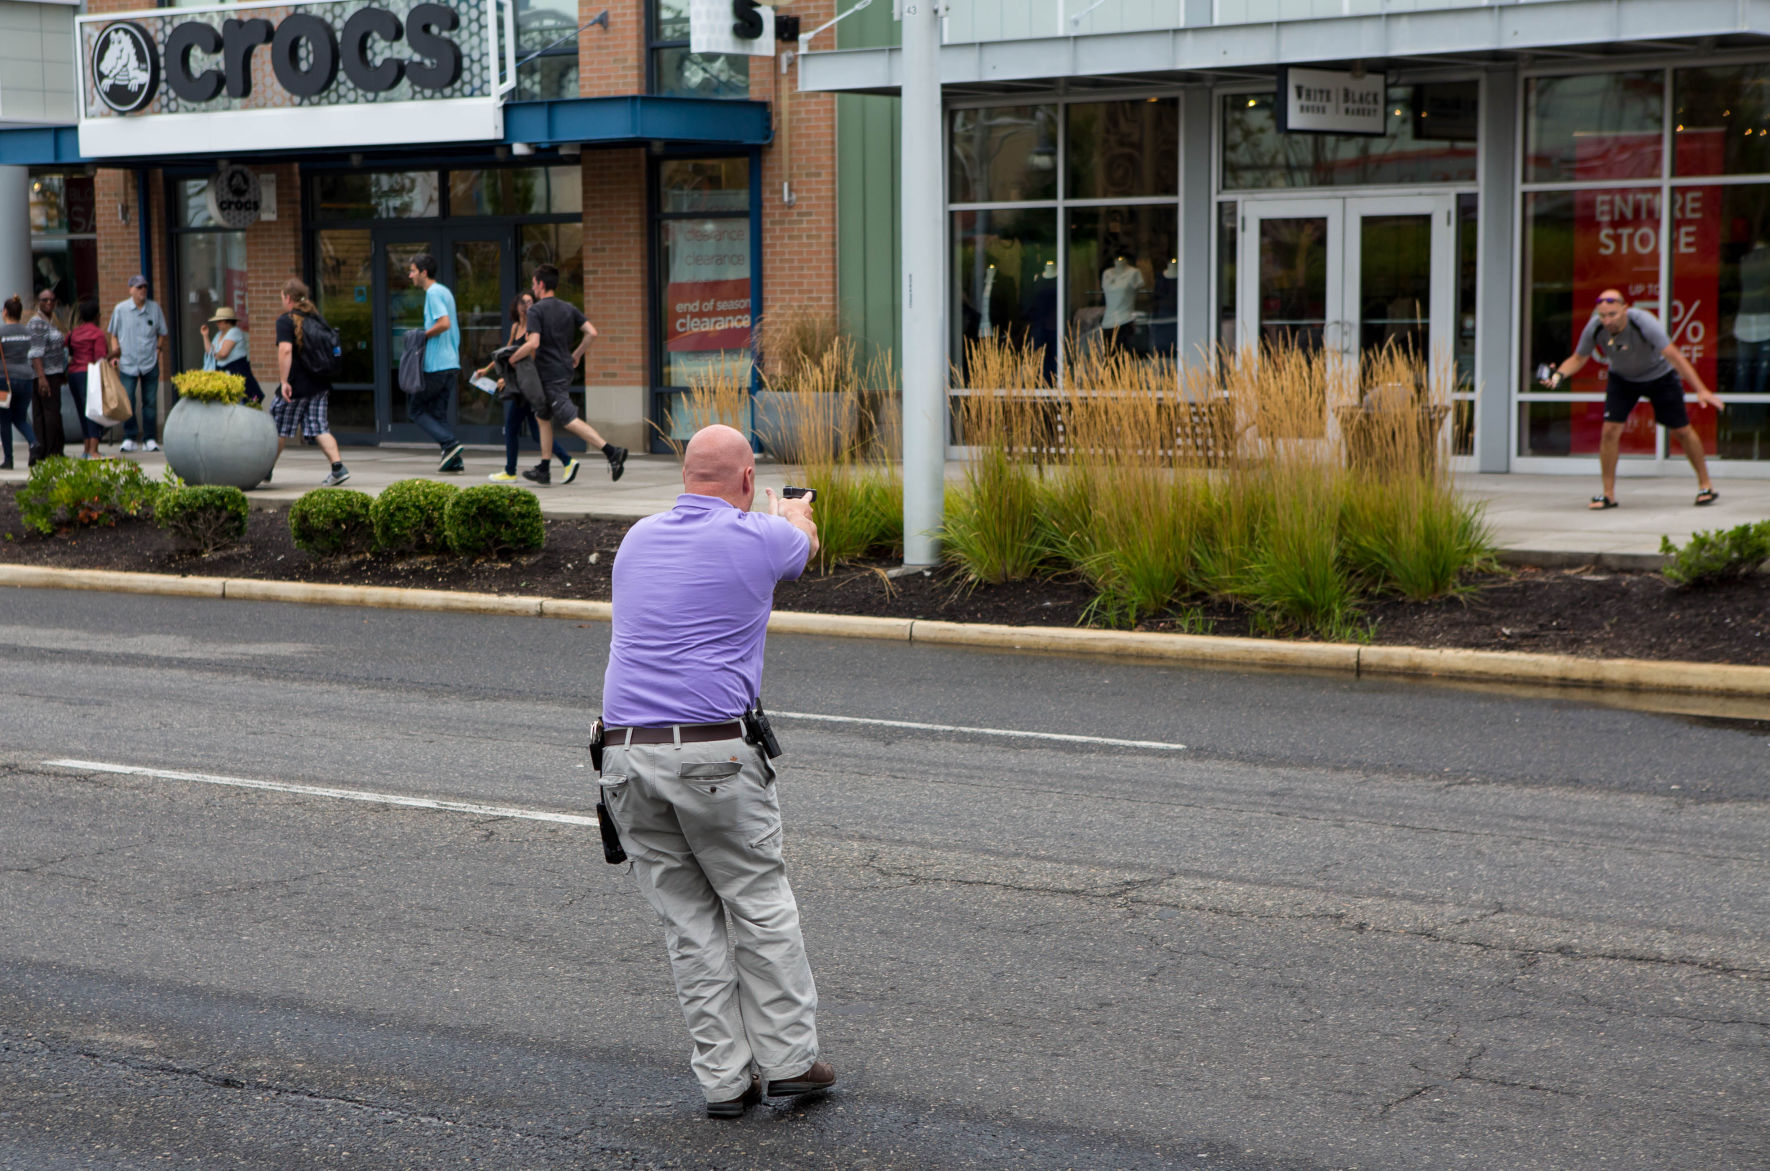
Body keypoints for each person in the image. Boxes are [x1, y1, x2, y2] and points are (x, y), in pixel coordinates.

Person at [596, 424, 831, 1119]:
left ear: (684, 475)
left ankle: (725, 1080)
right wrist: (797, 509)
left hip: (624, 754)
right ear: (747, 480)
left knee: (687, 920)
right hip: (715, 755)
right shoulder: (761, 535)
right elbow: (804, 547)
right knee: (756, 902)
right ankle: (790, 1060)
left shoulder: (636, 539)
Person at [1545, 289, 1725, 510]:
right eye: (1603, 316)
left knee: (1681, 430)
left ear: (1625, 309)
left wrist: (1701, 390)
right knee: (1610, 430)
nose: (1608, 320)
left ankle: (1706, 486)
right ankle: (1608, 494)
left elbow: (1674, 355)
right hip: (1622, 379)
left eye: (1612, 314)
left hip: (1660, 377)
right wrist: (1558, 376)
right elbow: (1578, 358)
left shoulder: (1643, 322)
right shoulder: (1595, 327)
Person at [509, 263, 627, 485]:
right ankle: (544, 468)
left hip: (550, 373)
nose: (533, 288)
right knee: (542, 416)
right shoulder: (568, 308)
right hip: (562, 368)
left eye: (534, 284)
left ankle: (612, 452)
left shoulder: (536, 310)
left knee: (568, 418)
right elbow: (592, 332)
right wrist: (577, 354)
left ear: (541, 284)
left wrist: (514, 357)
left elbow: (533, 343)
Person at [473, 292, 575, 483]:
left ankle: (510, 471)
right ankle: (567, 461)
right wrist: (486, 370)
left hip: (527, 385)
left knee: (511, 427)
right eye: (523, 302)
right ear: (516, 305)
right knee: (537, 433)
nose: (527, 305)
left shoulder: (533, 328)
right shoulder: (515, 328)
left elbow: (531, 359)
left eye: (530, 302)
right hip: (521, 384)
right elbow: (506, 353)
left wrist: (513, 378)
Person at [273, 278, 350, 486]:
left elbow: (285, 350)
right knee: (319, 428)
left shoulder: (285, 321)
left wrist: (284, 381)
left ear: (288, 298)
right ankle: (338, 468)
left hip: (296, 385)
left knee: (277, 427)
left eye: (282, 297)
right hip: (320, 384)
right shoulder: (316, 319)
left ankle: (265, 468)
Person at [406, 254, 464, 473]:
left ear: (423, 272)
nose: (410, 275)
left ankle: (450, 444)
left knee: (415, 409)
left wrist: (422, 336)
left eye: (413, 271)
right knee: (439, 414)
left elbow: (444, 323)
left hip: (437, 364)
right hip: (451, 363)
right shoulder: (445, 291)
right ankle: (453, 460)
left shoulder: (433, 293)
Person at [105, 274, 169, 453]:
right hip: (128, 362)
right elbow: (114, 334)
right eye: (139, 287)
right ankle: (130, 436)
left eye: (145, 287)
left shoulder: (154, 308)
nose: (143, 291)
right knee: (128, 400)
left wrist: (158, 349)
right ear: (130, 289)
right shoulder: (121, 309)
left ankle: (149, 438)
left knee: (150, 402)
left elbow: (162, 332)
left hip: (149, 362)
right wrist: (116, 354)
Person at [27, 288, 69, 460]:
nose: (49, 303)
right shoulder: (38, 323)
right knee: (49, 414)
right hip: (44, 375)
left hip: (53, 373)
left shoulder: (49, 321)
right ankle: (50, 452)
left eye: (52, 299)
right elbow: (35, 353)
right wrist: (42, 378)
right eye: (45, 300)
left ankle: (47, 452)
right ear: (39, 302)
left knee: (48, 414)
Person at [0, 295, 41, 469]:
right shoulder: (27, 332)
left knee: (4, 419)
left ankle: (8, 459)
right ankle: (34, 443)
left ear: (5, 312)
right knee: (20, 417)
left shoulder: (1, 332)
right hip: (26, 379)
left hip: (4, 380)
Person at [65, 298, 108, 460]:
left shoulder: (73, 333)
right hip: (90, 375)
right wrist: (115, 354)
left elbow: (66, 348)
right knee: (93, 411)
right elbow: (99, 358)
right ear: (97, 316)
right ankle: (93, 450)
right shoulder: (97, 334)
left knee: (82, 411)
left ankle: (86, 449)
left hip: (74, 374)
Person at [200, 306, 263, 403]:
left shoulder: (234, 332)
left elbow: (223, 353)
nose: (217, 324)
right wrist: (205, 336)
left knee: (245, 401)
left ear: (227, 321)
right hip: (223, 373)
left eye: (219, 321)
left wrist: (215, 354)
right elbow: (210, 352)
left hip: (237, 371)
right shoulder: (219, 334)